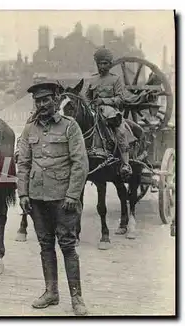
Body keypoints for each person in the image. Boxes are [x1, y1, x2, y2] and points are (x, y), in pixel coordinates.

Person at [15, 81, 89, 316]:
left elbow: (80, 163)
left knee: (67, 246)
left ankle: (77, 298)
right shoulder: (29, 129)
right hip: (37, 198)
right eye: (38, 101)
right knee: (45, 245)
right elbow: (24, 163)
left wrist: (72, 195)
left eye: (46, 99)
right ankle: (51, 292)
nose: (42, 104)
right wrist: (23, 193)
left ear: (56, 101)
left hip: (63, 199)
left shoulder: (70, 127)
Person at [85, 46, 137, 180]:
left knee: (120, 131)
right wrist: (90, 103)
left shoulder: (116, 79)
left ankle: (125, 164)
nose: (102, 66)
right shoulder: (92, 79)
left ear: (110, 64)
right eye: (99, 63)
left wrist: (103, 100)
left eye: (105, 63)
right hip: (94, 112)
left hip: (111, 113)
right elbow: (87, 97)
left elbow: (120, 99)